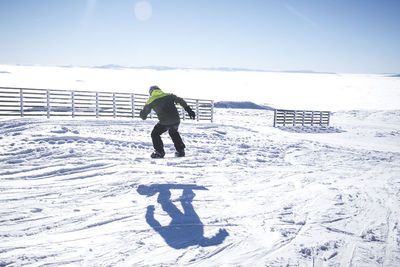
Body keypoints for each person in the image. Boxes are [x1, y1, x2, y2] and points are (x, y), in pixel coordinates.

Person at [140, 86, 196, 158]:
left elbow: (144, 114)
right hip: (176, 120)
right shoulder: (169, 95)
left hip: (165, 122)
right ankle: (180, 150)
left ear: (151, 92)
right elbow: (180, 101)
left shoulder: (151, 100)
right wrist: (188, 110)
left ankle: (159, 151)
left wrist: (142, 115)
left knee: (155, 133)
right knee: (173, 132)